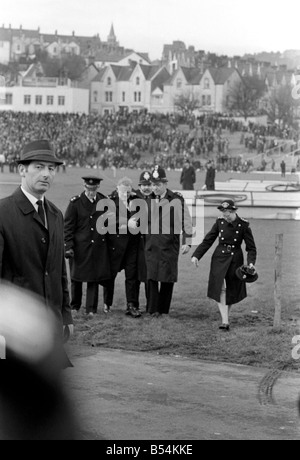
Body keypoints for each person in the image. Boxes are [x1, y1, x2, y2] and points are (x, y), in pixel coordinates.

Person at [0, 139, 73, 367]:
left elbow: (59, 270)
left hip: (49, 326)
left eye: (51, 168)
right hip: (13, 331)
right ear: (22, 169)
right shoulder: (3, 213)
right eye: (39, 167)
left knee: (43, 397)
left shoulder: (56, 214)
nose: (46, 174)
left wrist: (66, 315)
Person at [191, 199, 257, 331]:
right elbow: (208, 240)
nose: (225, 215)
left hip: (235, 259)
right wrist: (196, 255)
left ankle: (225, 317)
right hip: (219, 258)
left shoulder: (243, 225)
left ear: (233, 211)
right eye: (223, 212)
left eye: (227, 212)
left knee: (231, 289)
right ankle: (225, 321)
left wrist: (250, 264)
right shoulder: (219, 222)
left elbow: (251, 248)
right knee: (220, 288)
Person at [145, 166, 193, 316]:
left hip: (169, 245)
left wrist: (187, 241)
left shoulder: (176, 199)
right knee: (152, 277)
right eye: (153, 184)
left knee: (167, 277)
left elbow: (186, 220)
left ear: (165, 184)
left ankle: (164, 310)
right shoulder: (147, 200)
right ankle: (153, 310)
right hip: (151, 244)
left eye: (158, 184)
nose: (155, 188)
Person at [64, 175, 111, 319]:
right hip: (80, 248)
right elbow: (68, 227)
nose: (91, 192)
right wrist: (68, 246)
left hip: (97, 247)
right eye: (88, 189)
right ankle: (75, 306)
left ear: (98, 188)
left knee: (93, 279)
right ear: (84, 187)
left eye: (94, 189)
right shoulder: (75, 203)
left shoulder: (104, 202)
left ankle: (91, 308)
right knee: (76, 278)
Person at [103, 177, 141, 318]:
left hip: (132, 245)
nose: (125, 193)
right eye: (123, 190)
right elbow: (108, 219)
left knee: (131, 276)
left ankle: (131, 305)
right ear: (117, 189)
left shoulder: (137, 202)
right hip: (115, 245)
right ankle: (107, 303)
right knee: (110, 275)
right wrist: (126, 222)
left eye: (128, 191)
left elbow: (141, 218)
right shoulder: (111, 201)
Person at [133, 171, 153, 312]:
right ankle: (133, 304)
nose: (146, 188)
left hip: (151, 243)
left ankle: (151, 305)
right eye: (143, 185)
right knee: (134, 275)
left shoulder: (157, 199)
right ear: (139, 185)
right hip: (134, 243)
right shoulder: (132, 198)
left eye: (148, 185)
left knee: (149, 275)